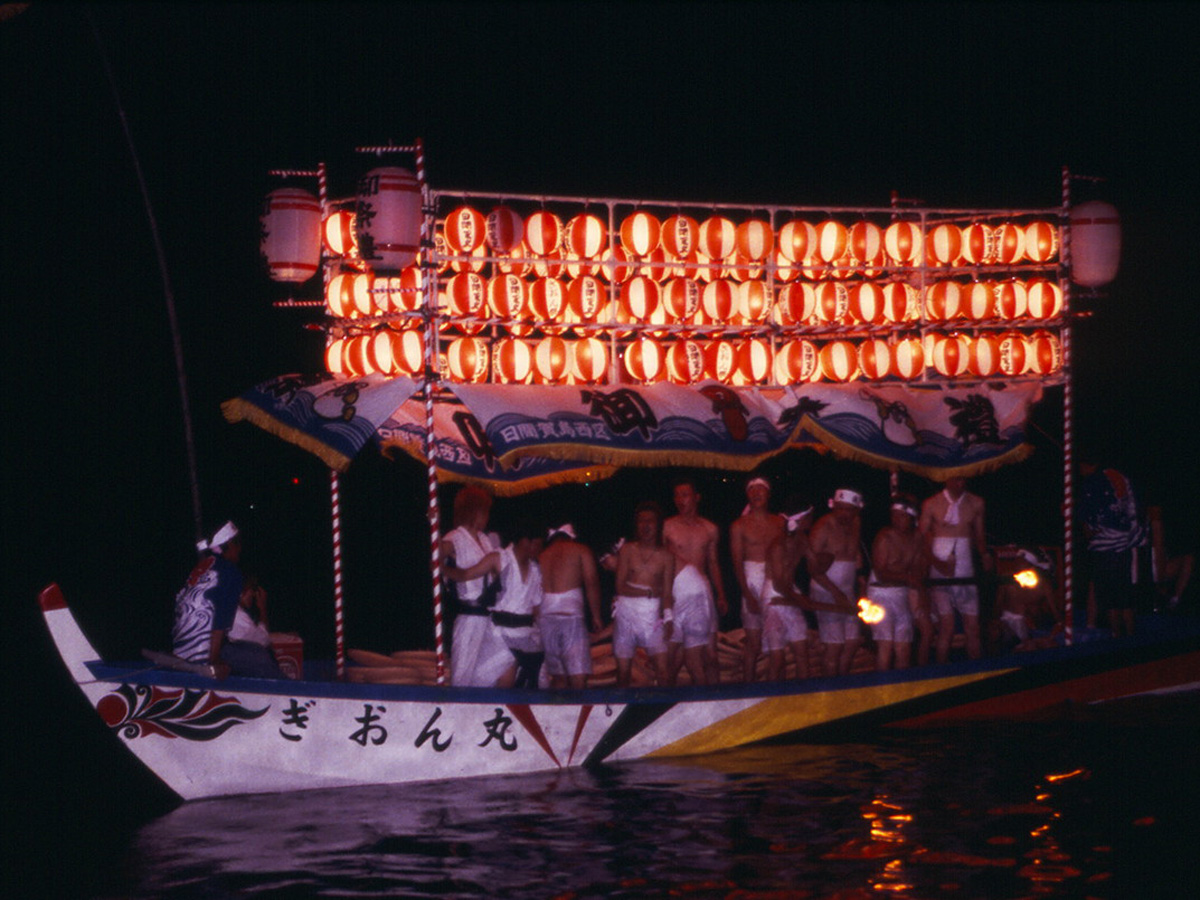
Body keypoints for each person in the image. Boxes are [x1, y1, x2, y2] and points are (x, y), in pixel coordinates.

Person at [172, 521, 283, 679]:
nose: (240, 550)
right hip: (202, 651)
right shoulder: (231, 572)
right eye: (238, 545)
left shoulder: (204, 566)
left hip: (181, 648)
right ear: (230, 545)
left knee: (248, 651)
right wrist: (214, 660)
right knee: (258, 656)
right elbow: (220, 620)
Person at [450, 519, 545, 688]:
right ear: (525, 541)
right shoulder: (499, 558)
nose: (539, 550)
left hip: (525, 634)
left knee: (522, 682)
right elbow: (465, 575)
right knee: (488, 681)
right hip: (500, 634)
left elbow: (537, 607)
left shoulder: (536, 570)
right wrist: (441, 569)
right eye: (537, 545)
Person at [441, 485, 511, 687]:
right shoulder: (455, 537)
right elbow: (436, 555)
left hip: (490, 615)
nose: (487, 516)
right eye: (485, 511)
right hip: (469, 616)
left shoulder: (485, 539)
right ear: (474, 511)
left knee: (491, 666)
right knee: (463, 672)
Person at [662, 476, 728, 686]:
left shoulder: (709, 529)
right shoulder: (667, 526)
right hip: (676, 593)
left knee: (711, 654)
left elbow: (714, 563)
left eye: (685, 495)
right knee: (674, 656)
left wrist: (721, 594)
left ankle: (716, 701)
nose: (680, 500)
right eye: (677, 496)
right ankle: (666, 705)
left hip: (702, 594)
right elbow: (660, 563)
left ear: (696, 497)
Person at [920, 476, 989, 662]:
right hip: (939, 569)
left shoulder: (976, 503)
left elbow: (980, 535)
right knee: (946, 627)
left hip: (965, 568)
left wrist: (985, 555)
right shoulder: (931, 504)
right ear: (947, 479)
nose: (961, 483)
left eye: (963, 480)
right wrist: (930, 563)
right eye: (956, 480)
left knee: (972, 627)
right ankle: (940, 673)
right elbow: (920, 538)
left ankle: (978, 673)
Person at [1079, 460, 1145, 637]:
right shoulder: (1121, 477)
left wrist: (1089, 531)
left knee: (1110, 598)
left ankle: (1117, 638)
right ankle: (1131, 638)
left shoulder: (1092, 483)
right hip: (1127, 545)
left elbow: (1089, 521)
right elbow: (1134, 510)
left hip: (1105, 546)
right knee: (1125, 596)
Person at [613, 502, 675, 687]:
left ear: (658, 525)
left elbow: (667, 592)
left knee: (663, 670)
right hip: (626, 614)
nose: (646, 525)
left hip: (651, 615)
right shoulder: (628, 550)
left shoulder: (666, 556)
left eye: (650, 521)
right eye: (641, 521)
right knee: (623, 672)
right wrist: (647, 591)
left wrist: (669, 618)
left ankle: (664, 712)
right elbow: (620, 586)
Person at [730, 476, 785, 682]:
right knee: (753, 642)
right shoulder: (739, 525)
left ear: (768, 493)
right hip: (751, 579)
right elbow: (736, 562)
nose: (756, 494)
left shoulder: (780, 522)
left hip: (775, 581)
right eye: (752, 490)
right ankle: (749, 688)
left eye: (760, 489)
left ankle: (778, 689)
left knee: (777, 641)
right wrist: (747, 594)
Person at [538, 522, 603, 689]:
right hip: (570, 617)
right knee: (578, 678)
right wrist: (596, 616)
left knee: (558, 678)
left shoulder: (542, 555)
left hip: (545, 620)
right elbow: (592, 583)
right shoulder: (580, 550)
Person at [809, 488, 866, 675]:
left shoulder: (856, 523)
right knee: (835, 646)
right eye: (839, 508)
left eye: (848, 509)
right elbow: (813, 569)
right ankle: (829, 691)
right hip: (825, 590)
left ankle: (842, 684)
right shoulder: (823, 526)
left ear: (856, 510)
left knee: (852, 642)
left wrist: (862, 582)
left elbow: (854, 553)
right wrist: (835, 593)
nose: (843, 513)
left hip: (847, 589)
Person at [866, 494, 925, 671]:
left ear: (912, 517)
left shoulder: (916, 538)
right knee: (886, 646)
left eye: (901, 516)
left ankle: (903, 690)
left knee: (904, 648)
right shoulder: (885, 537)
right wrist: (908, 577)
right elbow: (881, 573)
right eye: (894, 515)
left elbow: (917, 570)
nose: (896, 519)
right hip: (880, 595)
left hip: (902, 594)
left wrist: (920, 595)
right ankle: (881, 690)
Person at [762, 498, 816, 681]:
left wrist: (836, 593)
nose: (812, 521)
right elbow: (778, 583)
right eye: (809, 517)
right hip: (773, 595)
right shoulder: (777, 546)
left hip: (790, 593)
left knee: (802, 651)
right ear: (800, 520)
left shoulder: (802, 540)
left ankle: (805, 699)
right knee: (777, 659)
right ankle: (768, 701)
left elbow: (816, 567)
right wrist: (799, 599)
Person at [1147, 505, 1193, 612]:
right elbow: (1157, 551)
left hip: (1156, 559)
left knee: (1188, 559)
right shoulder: (1154, 523)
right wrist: (1160, 579)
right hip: (1149, 563)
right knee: (1187, 560)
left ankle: (1173, 598)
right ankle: (1162, 596)